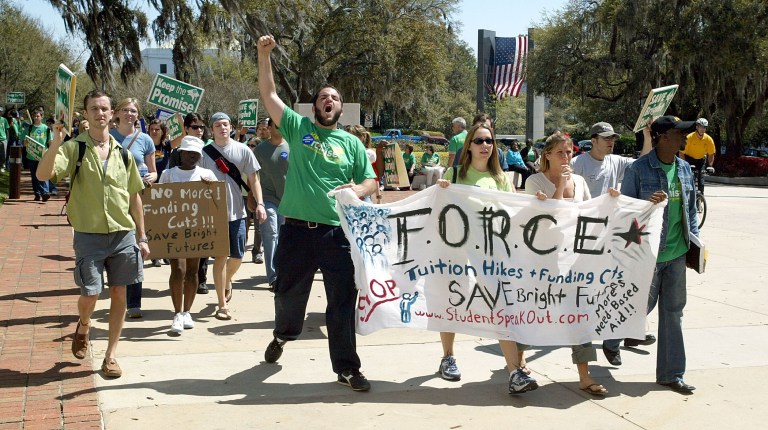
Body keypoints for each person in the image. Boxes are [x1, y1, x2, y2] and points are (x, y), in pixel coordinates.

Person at [258, 34, 378, 392]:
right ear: (314, 107)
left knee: (341, 301)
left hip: (336, 234)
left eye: (335, 98)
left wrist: (357, 189)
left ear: (341, 109)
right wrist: (264, 56)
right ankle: (282, 335)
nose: (329, 100)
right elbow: (269, 95)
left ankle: (347, 368)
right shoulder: (299, 128)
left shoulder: (352, 143)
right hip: (296, 231)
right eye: (323, 97)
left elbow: (371, 181)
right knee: (289, 297)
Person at [36, 89, 150, 378]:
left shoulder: (123, 153)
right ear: (85, 114)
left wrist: (142, 236)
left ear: (112, 114)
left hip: (123, 233)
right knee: (90, 293)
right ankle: (83, 324)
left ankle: (111, 355)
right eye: (94, 109)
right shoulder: (75, 148)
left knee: (119, 292)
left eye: (105, 108)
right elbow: (42, 175)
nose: (100, 113)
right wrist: (57, 141)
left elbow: (134, 195)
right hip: (89, 234)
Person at [435, 124, 539, 394]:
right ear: (468, 145)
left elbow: (514, 213)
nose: (485, 145)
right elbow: (438, 210)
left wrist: (537, 204)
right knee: (454, 303)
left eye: (489, 140)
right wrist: (442, 191)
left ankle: (514, 372)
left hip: (494, 254)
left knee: (500, 307)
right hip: (458, 254)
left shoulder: (501, 178)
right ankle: (448, 356)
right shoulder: (455, 174)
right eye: (479, 140)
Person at [524, 131, 608, 395]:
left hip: (575, 261)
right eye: (560, 152)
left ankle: (584, 375)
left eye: (569, 151)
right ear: (546, 155)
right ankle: (519, 364)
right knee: (531, 310)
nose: (566, 157)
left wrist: (612, 202)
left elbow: (589, 214)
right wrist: (559, 185)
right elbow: (550, 218)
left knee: (579, 315)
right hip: (543, 259)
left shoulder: (581, 181)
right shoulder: (534, 181)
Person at [622, 115, 699, 394]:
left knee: (673, 314)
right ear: (664, 137)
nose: (686, 137)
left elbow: (690, 210)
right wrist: (646, 205)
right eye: (680, 133)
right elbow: (624, 213)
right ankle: (610, 339)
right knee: (636, 308)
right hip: (649, 256)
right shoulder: (638, 169)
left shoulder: (685, 169)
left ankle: (671, 374)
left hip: (677, 255)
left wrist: (695, 245)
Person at [573, 121, 655, 365]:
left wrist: (647, 135)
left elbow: (643, 159)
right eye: (606, 138)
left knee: (620, 281)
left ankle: (627, 331)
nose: (611, 142)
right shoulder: (578, 163)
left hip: (611, 232)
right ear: (594, 139)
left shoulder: (616, 161)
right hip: (585, 233)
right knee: (589, 283)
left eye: (613, 138)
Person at [198, 112, 266, 320]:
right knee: (219, 257)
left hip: (237, 212)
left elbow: (254, 179)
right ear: (212, 129)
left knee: (237, 256)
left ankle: (227, 280)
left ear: (232, 127)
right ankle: (221, 304)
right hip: (213, 214)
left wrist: (260, 203)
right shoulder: (203, 153)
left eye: (226, 124)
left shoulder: (243, 150)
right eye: (218, 125)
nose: (222, 128)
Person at [159, 136, 217, 334]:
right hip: (175, 230)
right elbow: (159, 203)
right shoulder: (168, 174)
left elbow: (216, 203)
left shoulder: (207, 174)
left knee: (193, 271)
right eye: (188, 153)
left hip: (198, 230)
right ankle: (176, 313)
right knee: (178, 269)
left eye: (196, 155)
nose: (192, 157)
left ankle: (187, 312)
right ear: (180, 154)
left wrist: (210, 187)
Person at [110, 98, 156, 319]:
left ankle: (134, 302)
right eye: (126, 110)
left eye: (134, 111)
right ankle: (116, 291)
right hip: (113, 199)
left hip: (138, 197)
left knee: (137, 245)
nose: (130, 114)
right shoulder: (107, 137)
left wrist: (151, 176)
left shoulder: (145, 139)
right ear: (117, 113)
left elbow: (154, 170)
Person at [252, 117, 289, 290]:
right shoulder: (260, 150)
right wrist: (254, 200)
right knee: (270, 233)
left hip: (288, 201)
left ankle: (284, 272)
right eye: (277, 125)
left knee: (283, 237)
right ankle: (274, 277)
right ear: (269, 127)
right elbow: (253, 176)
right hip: (267, 199)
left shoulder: (292, 147)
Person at [19, 108, 52, 201]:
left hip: (43, 156)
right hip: (31, 156)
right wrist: (25, 143)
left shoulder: (46, 129)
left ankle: (45, 193)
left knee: (44, 174)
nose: (36, 118)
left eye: (38, 116)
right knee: (35, 177)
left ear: (42, 117)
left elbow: (50, 142)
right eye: (34, 116)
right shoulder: (29, 128)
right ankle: (37, 194)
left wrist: (51, 153)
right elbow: (23, 141)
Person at [680, 118, 715, 193]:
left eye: (704, 127)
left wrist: (710, 166)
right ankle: (689, 196)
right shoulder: (689, 137)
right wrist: (683, 164)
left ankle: (700, 199)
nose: (702, 129)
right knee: (691, 178)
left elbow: (711, 154)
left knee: (701, 179)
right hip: (689, 159)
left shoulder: (708, 139)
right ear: (697, 127)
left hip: (701, 160)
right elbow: (681, 153)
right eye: (701, 127)